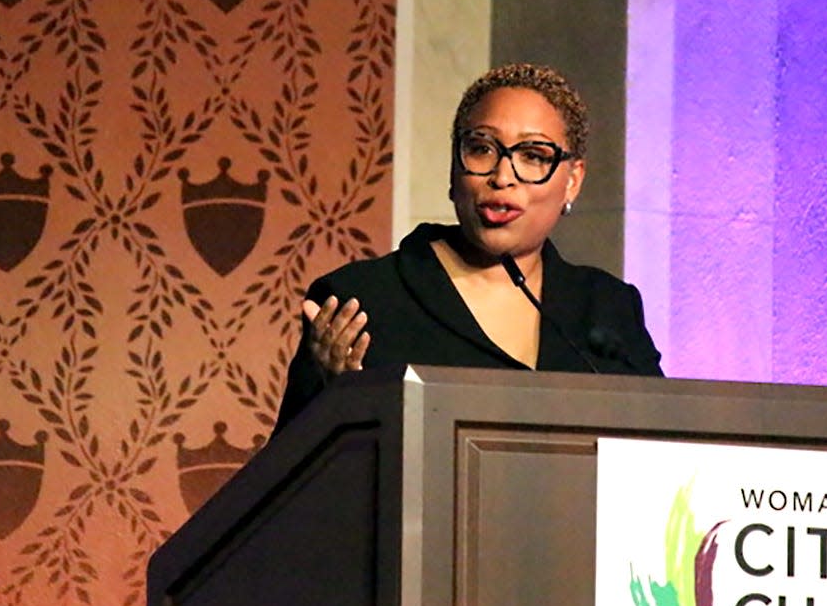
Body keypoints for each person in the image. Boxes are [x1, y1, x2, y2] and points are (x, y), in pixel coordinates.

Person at [274, 63, 662, 433]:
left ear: (572, 181)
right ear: (453, 167)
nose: (502, 176)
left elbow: (664, 448)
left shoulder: (609, 307)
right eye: (481, 149)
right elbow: (288, 479)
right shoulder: (360, 302)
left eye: (533, 156)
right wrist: (334, 400)